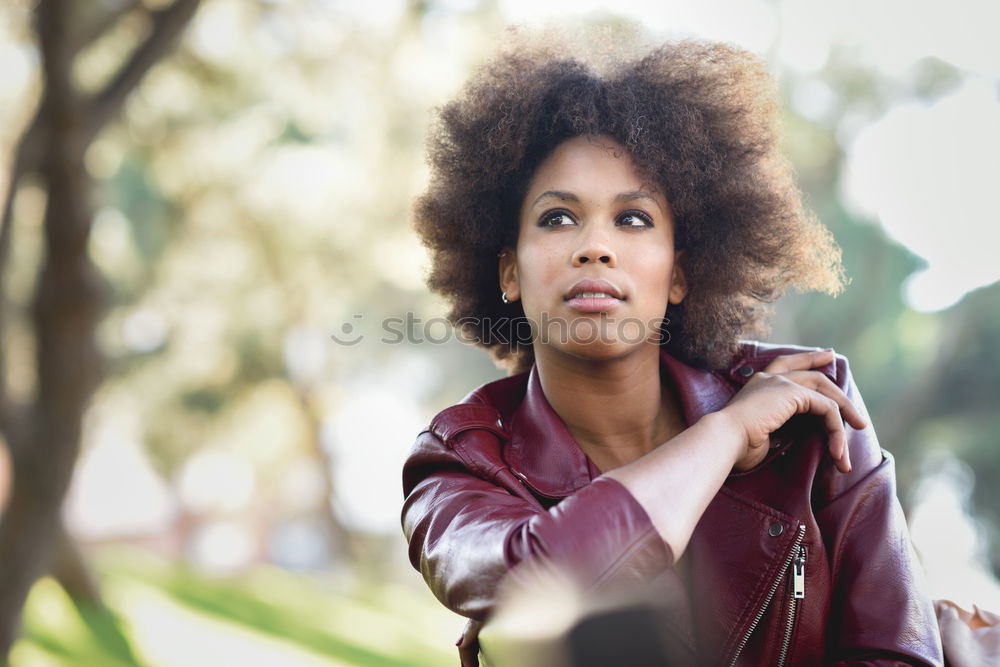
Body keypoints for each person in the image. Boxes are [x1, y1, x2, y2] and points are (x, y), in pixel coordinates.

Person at [401, 30, 943, 666]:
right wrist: (722, 435)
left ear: (681, 274)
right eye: (557, 217)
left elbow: (896, 654)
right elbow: (539, 586)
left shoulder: (812, 402)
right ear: (508, 274)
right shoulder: (463, 460)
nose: (594, 246)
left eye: (633, 218)